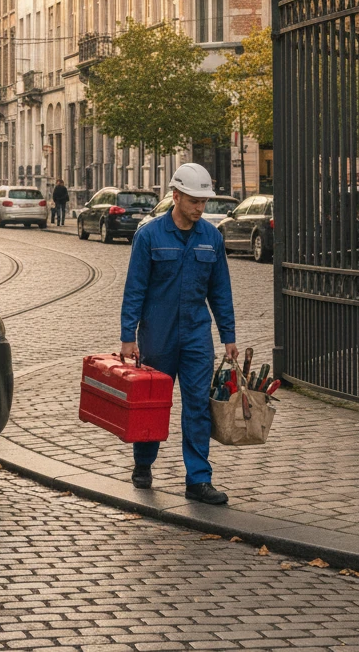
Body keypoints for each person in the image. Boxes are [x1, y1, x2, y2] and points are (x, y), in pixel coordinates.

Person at [119, 163, 237, 505]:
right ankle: (143, 462)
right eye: (195, 201)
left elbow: (221, 291)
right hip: (157, 335)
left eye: (204, 202)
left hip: (197, 335)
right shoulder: (149, 235)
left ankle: (198, 479)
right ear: (176, 196)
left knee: (198, 405)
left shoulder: (211, 237)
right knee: (151, 404)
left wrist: (228, 336)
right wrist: (129, 336)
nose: (201, 208)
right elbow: (135, 289)